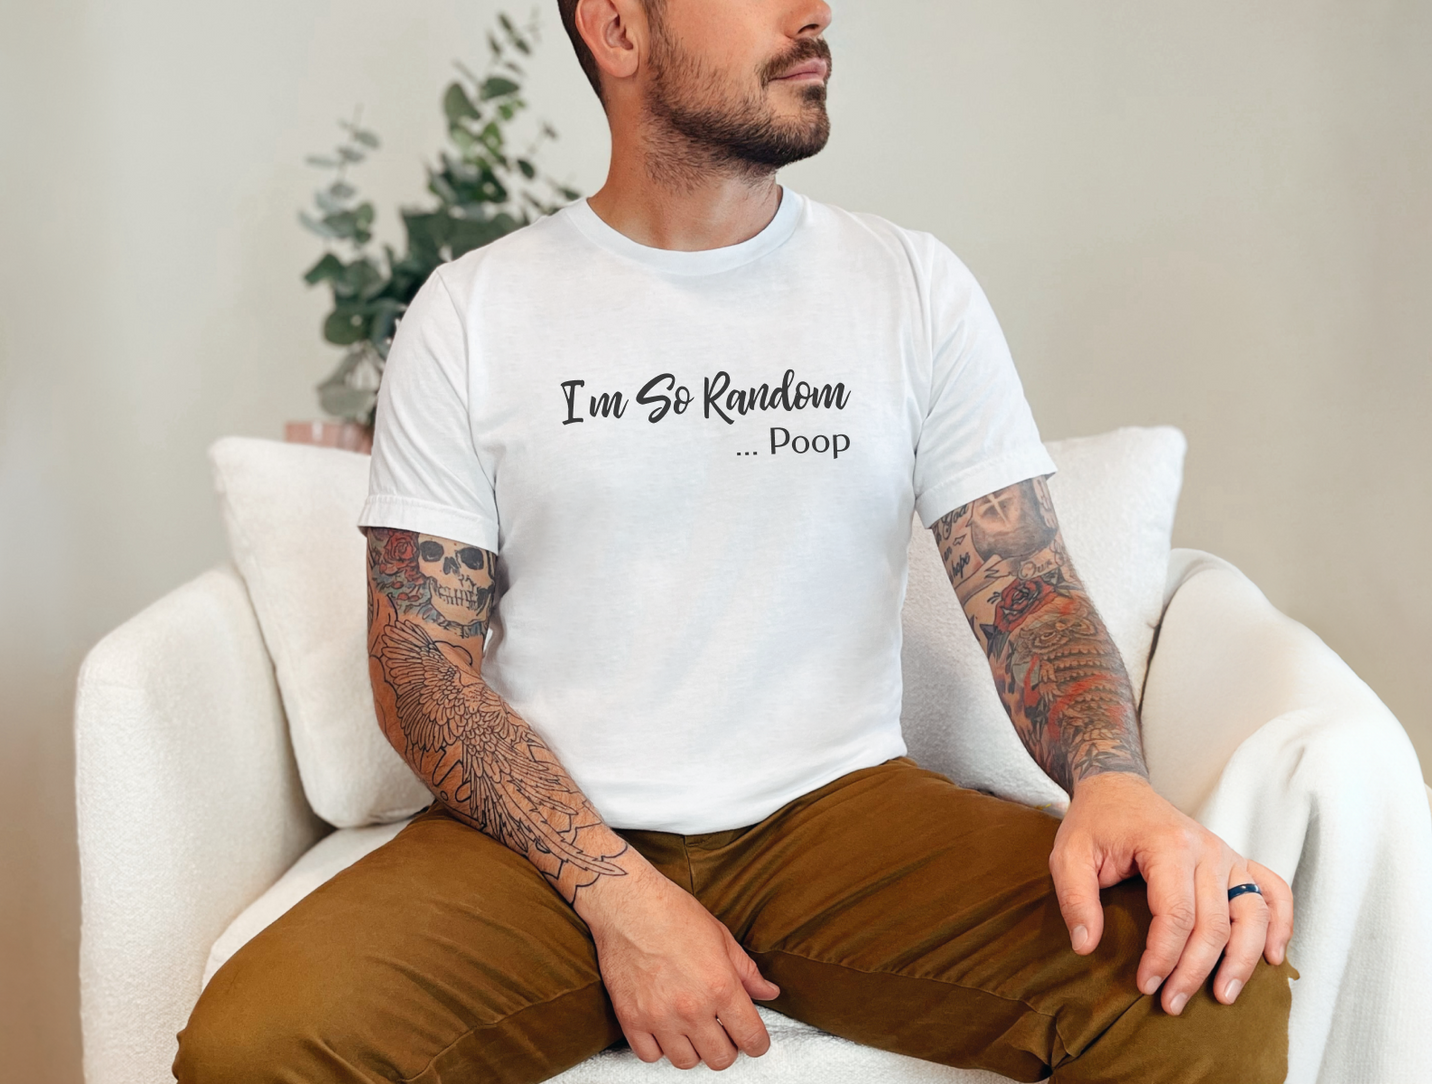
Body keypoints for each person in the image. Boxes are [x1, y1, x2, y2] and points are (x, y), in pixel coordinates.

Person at [175, 0, 1297, 1080]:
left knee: (1204, 988)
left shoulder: (909, 286)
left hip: (839, 818)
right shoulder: (472, 312)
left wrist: (1111, 780)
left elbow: (1028, 592)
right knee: (257, 1045)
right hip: (542, 840)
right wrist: (617, 891)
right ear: (616, 28)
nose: (815, 13)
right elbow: (419, 664)